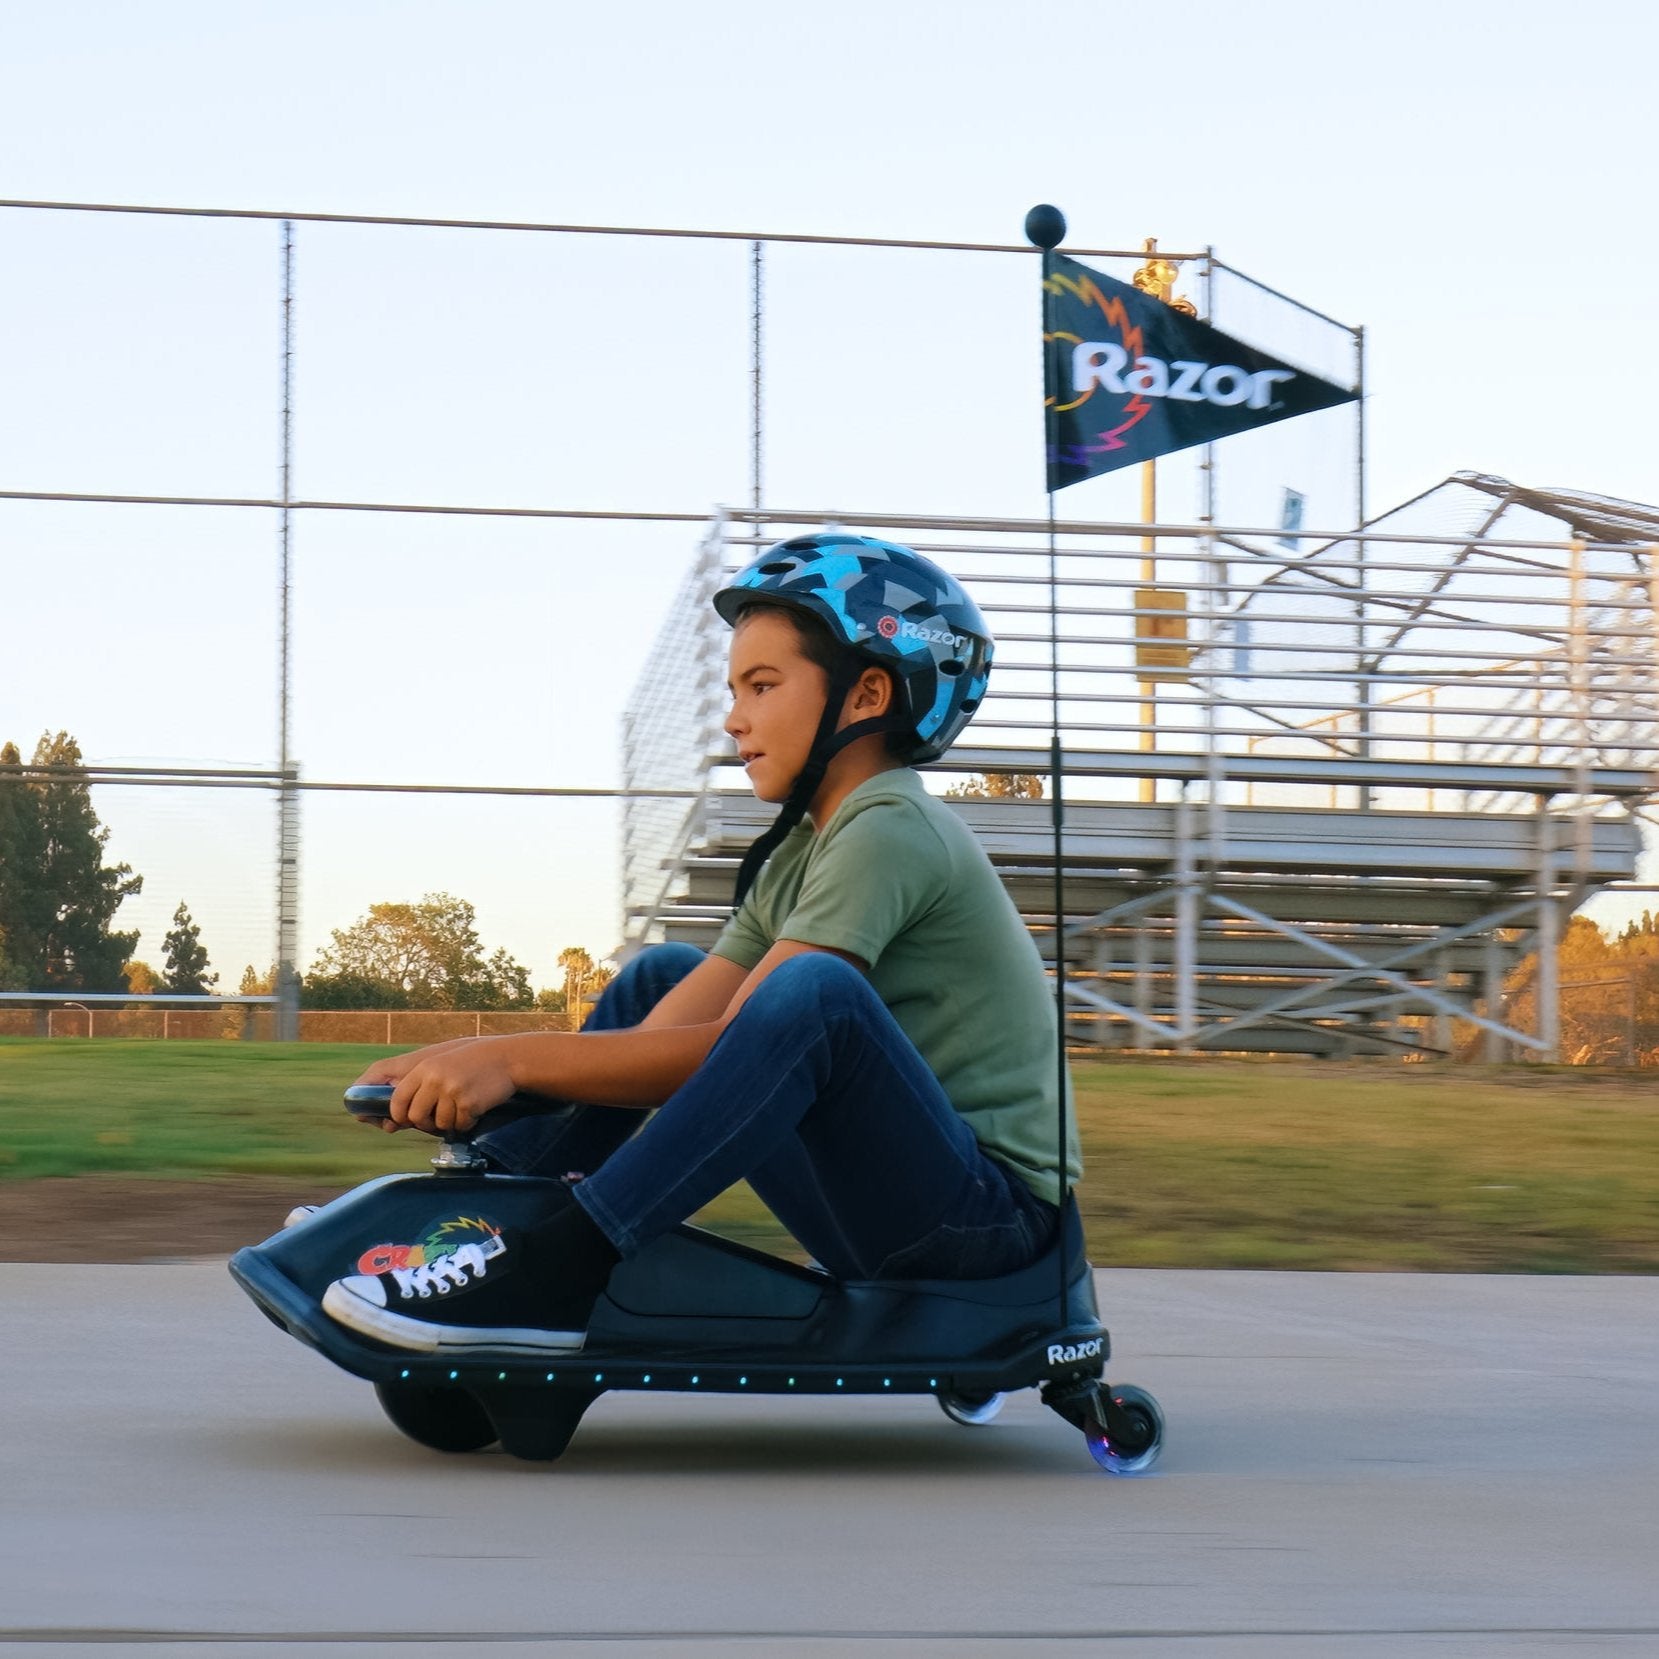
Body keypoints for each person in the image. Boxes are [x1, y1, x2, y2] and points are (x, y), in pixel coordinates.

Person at [321, 533, 1081, 1355]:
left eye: (762, 685)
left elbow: (724, 1050)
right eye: (734, 689)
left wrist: (504, 1057)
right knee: (662, 976)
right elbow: (659, 1046)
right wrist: (472, 1064)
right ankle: (471, 1224)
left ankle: (558, 1267)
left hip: (985, 1227)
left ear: (866, 695)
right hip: (891, 1197)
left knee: (813, 996)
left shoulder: (890, 826)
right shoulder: (804, 850)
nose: (734, 718)